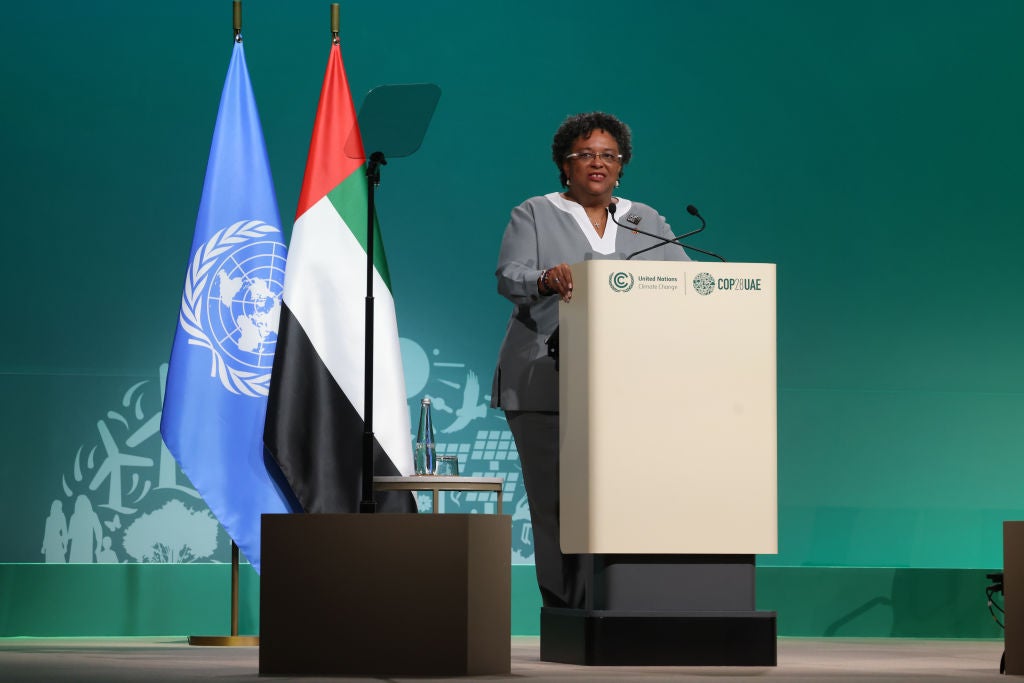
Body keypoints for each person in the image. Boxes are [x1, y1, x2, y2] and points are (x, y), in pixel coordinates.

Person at [491, 111, 690, 609]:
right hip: (545, 379)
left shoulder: (646, 220)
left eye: (608, 155)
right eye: (585, 155)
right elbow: (509, 275)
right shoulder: (534, 212)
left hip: (627, 387)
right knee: (556, 503)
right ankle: (565, 610)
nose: (597, 163)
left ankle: (619, 603)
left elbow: (685, 285)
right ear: (565, 164)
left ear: (621, 166)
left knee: (622, 499)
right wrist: (544, 279)